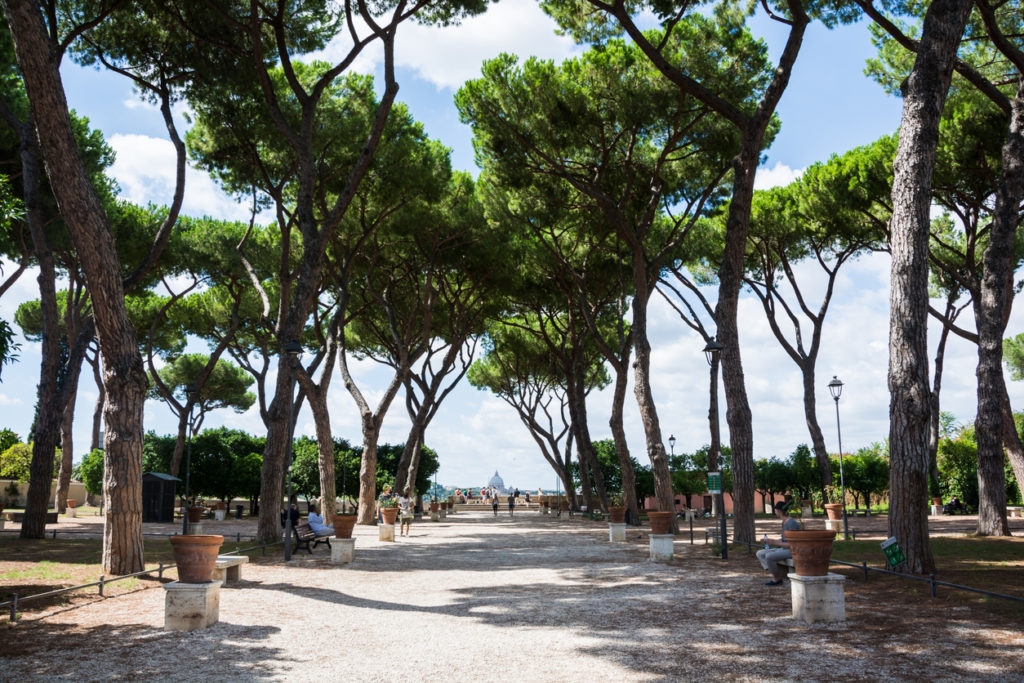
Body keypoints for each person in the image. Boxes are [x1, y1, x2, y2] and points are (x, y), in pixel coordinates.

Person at [756, 501, 803, 586]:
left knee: (769, 556)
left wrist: (774, 542)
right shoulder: (784, 522)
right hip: (784, 548)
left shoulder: (791, 523)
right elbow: (784, 540)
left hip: (792, 550)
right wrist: (770, 541)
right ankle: (774, 573)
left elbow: (794, 544)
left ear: (779, 511)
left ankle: (777, 579)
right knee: (760, 553)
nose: (775, 512)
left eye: (776, 510)